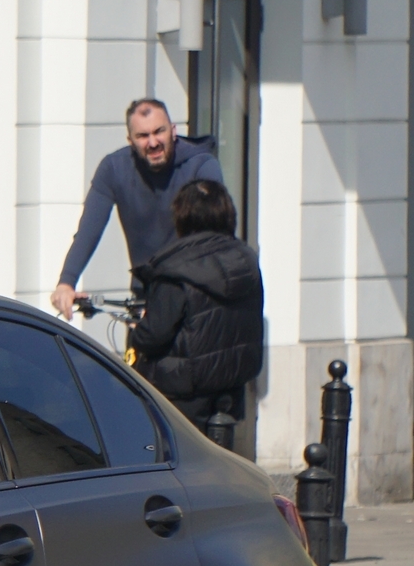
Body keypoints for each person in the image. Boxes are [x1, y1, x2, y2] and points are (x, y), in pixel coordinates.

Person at [50, 98, 225, 319]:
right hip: (146, 298)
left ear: (173, 131)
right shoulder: (114, 169)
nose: (152, 142)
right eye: (142, 136)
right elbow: (88, 232)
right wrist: (66, 282)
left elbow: (217, 236)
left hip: (195, 296)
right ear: (130, 140)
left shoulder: (201, 165)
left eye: (158, 131)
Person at [124, 180, 264, 426]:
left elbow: (154, 334)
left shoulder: (174, 269)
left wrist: (137, 332)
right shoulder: (246, 261)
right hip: (230, 389)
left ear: (182, 217)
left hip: (183, 394)